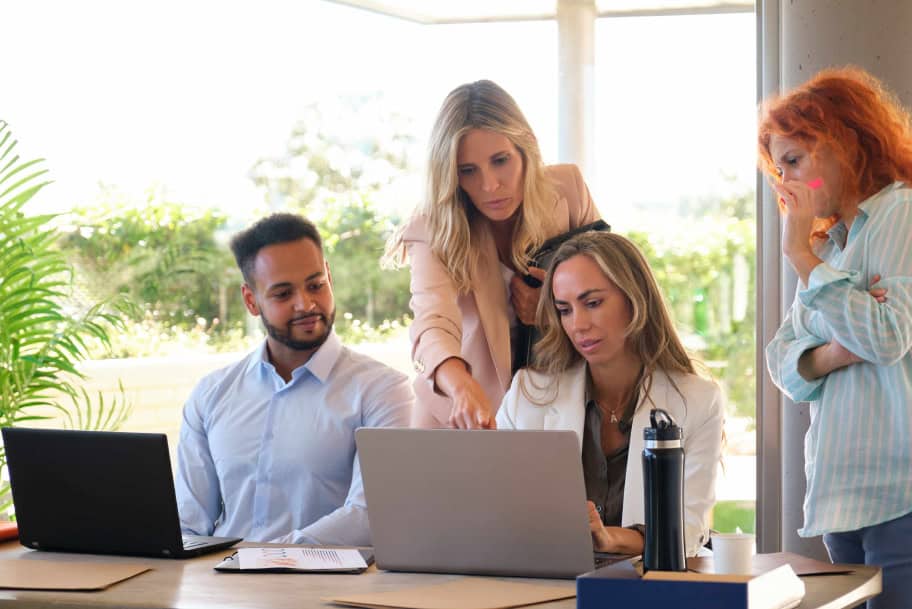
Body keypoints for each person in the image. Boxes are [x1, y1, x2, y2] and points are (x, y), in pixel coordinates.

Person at [761, 67, 912, 609]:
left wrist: (799, 257)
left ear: (844, 141)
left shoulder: (902, 212)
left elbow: (887, 336)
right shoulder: (834, 248)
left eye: (795, 162)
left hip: (900, 493)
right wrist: (836, 350)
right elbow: (782, 363)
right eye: (778, 169)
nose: (785, 184)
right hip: (842, 495)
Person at [175, 213, 413, 546]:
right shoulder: (211, 395)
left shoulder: (384, 391)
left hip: (325, 588)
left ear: (329, 276)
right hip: (223, 588)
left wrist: (264, 559)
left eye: (316, 285)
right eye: (283, 294)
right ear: (251, 301)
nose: (306, 304)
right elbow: (188, 523)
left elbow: (371, 515)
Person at [386, 79, 600, 429]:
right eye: (467, 171)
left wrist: (551, 310)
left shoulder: (569, 191)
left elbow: (613, 291)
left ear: (525, 147)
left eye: (500, 161)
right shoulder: (431, 225)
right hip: (462, 415)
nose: (488, 186)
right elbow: (432, 322)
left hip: (562, 408)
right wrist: (461, 387)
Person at [496, 231, 723, 556]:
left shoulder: (697, 401)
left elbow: (687, 530)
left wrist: (608, 537)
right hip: (548, 585)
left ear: (635, 299)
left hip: (648, 588)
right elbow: (498, 516)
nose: (578, 325)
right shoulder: (527, 395)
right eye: (565, 310)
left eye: (592, 303)